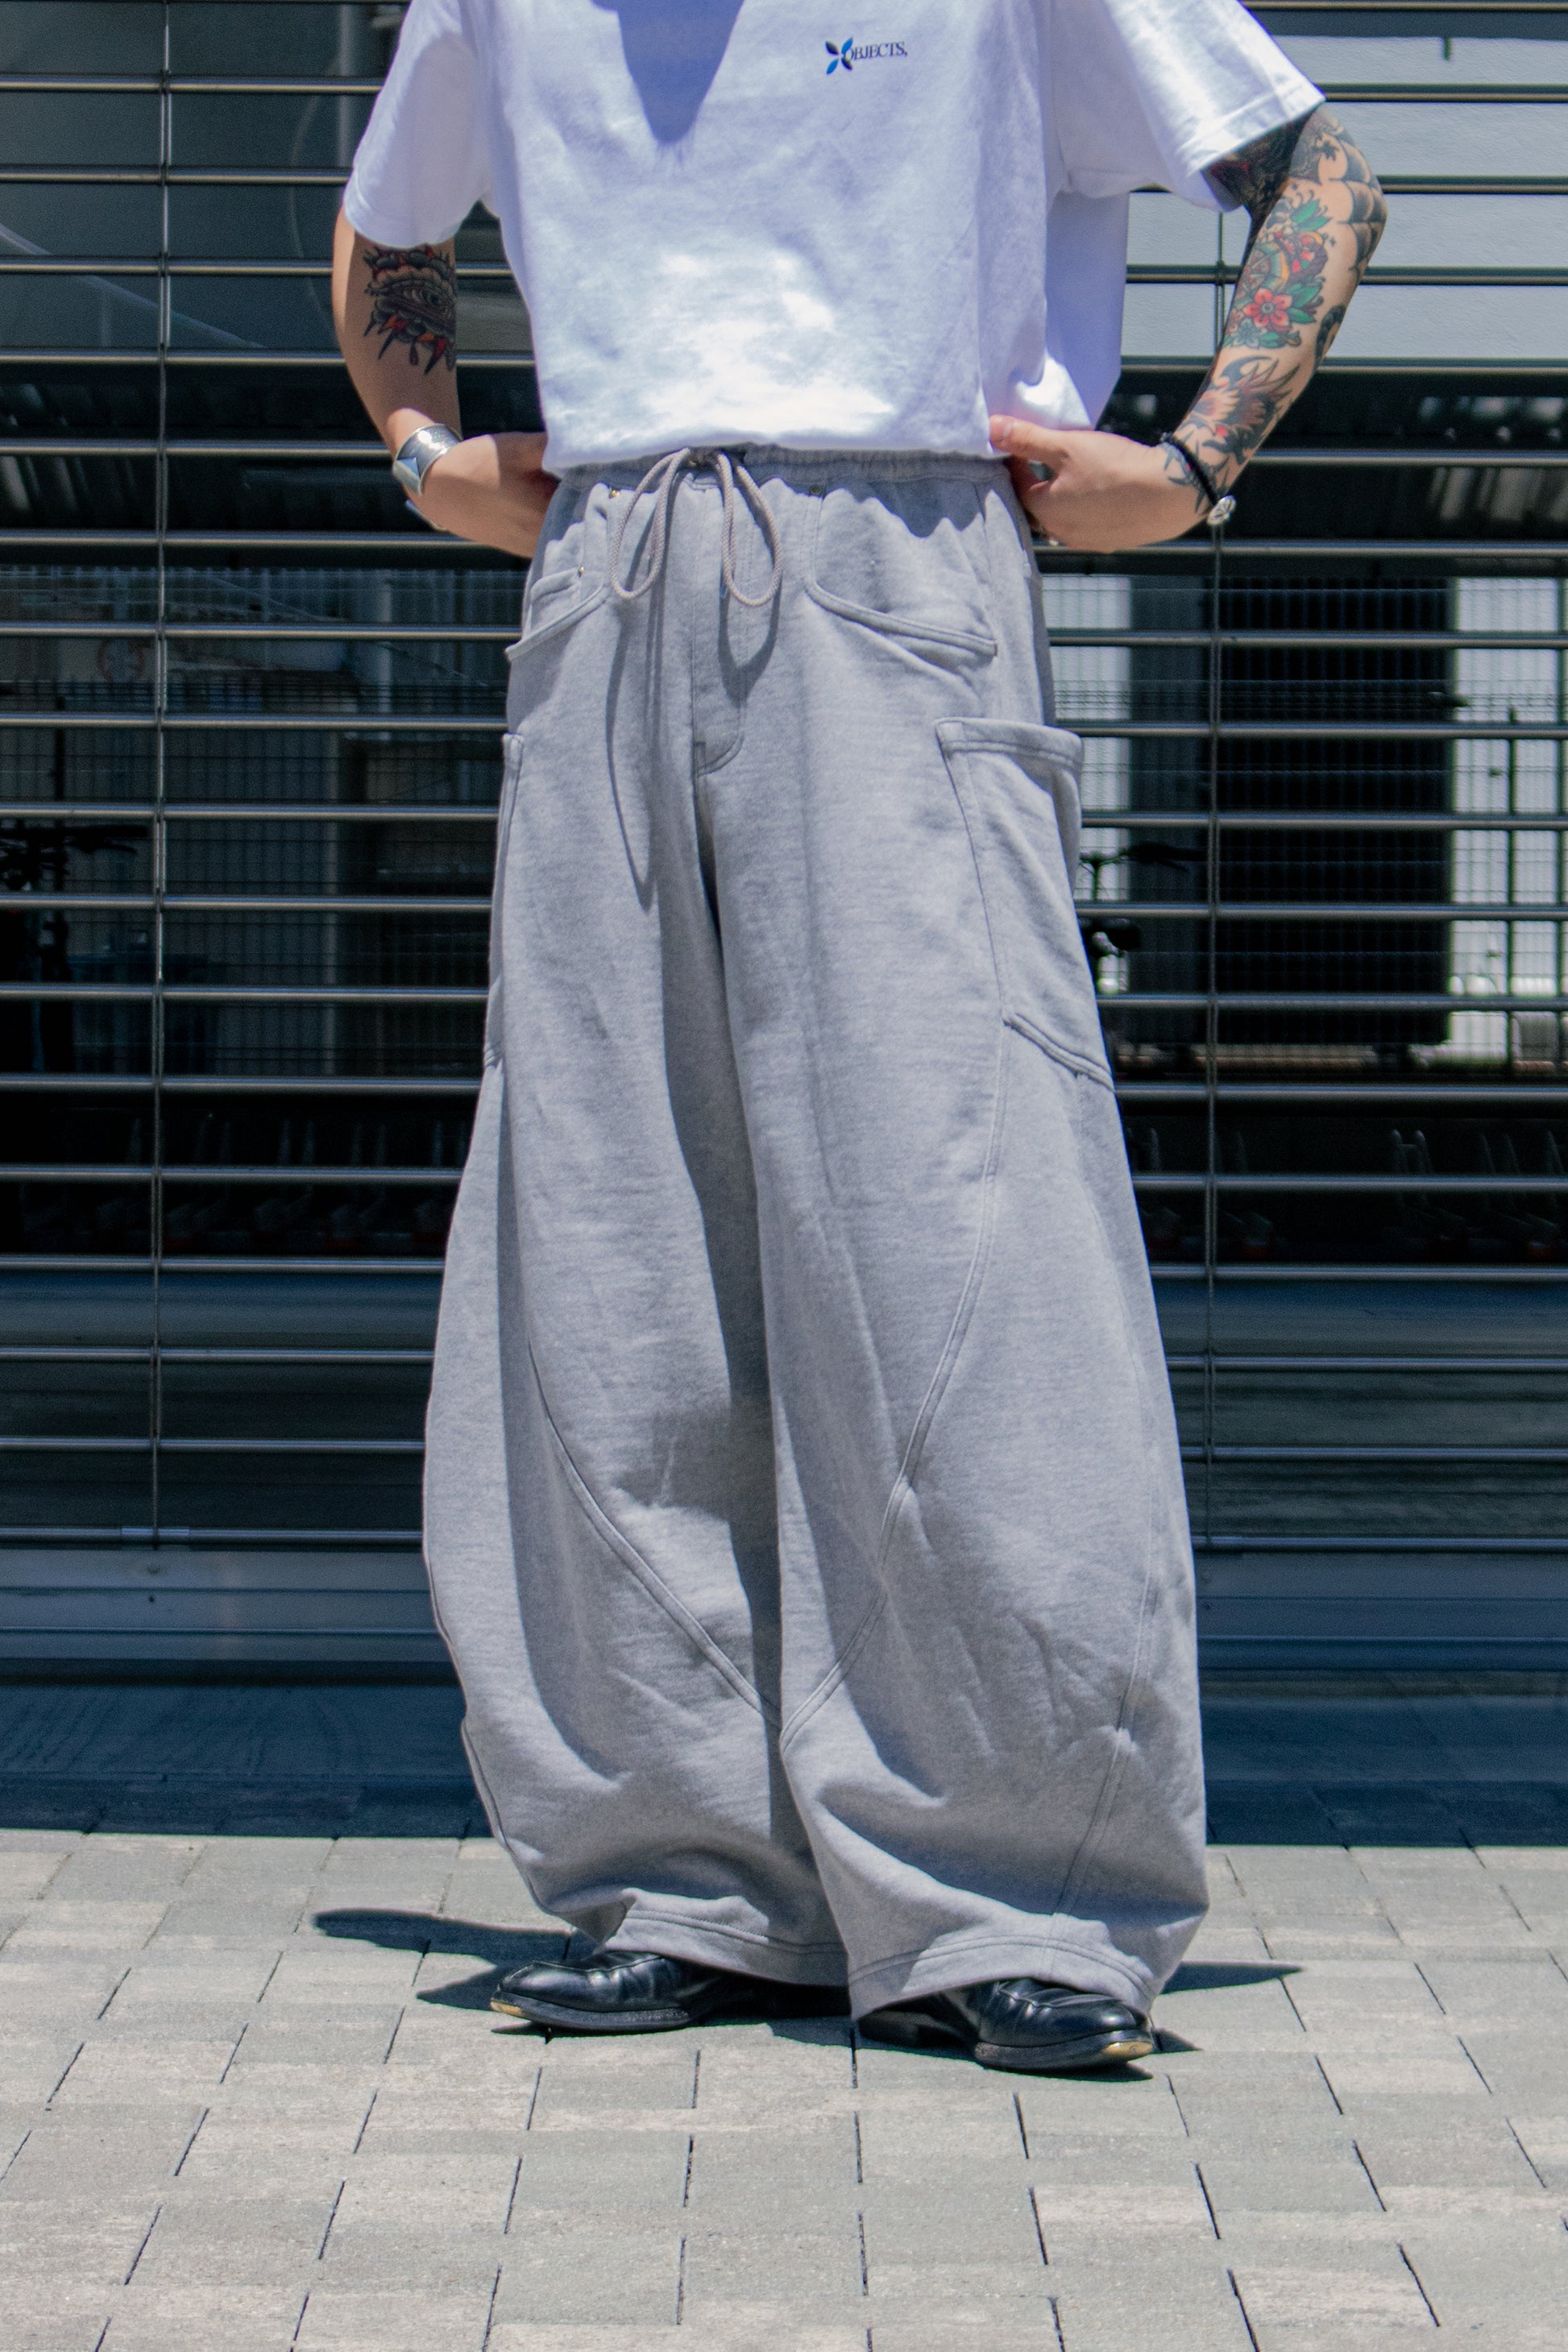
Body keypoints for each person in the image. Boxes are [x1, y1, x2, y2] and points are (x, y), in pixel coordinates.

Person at [333, 0, 1383, 2074]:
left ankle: (1021, 1889)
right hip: (608, 560)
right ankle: (688, 1874)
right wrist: (426, 454)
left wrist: (1192, 468)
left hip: (903, 551)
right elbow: (391, 232)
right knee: (611, 1244)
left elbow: (1317, 175)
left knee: (959, 1230)